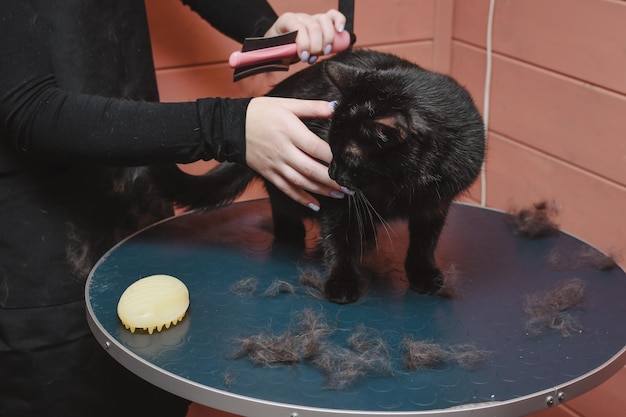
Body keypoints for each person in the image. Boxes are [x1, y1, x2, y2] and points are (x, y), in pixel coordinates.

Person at [0, 1, 347, 416]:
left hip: (145, 230)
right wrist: (227, 126)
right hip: (43, 261)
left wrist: (266, 26)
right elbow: (29, 107)